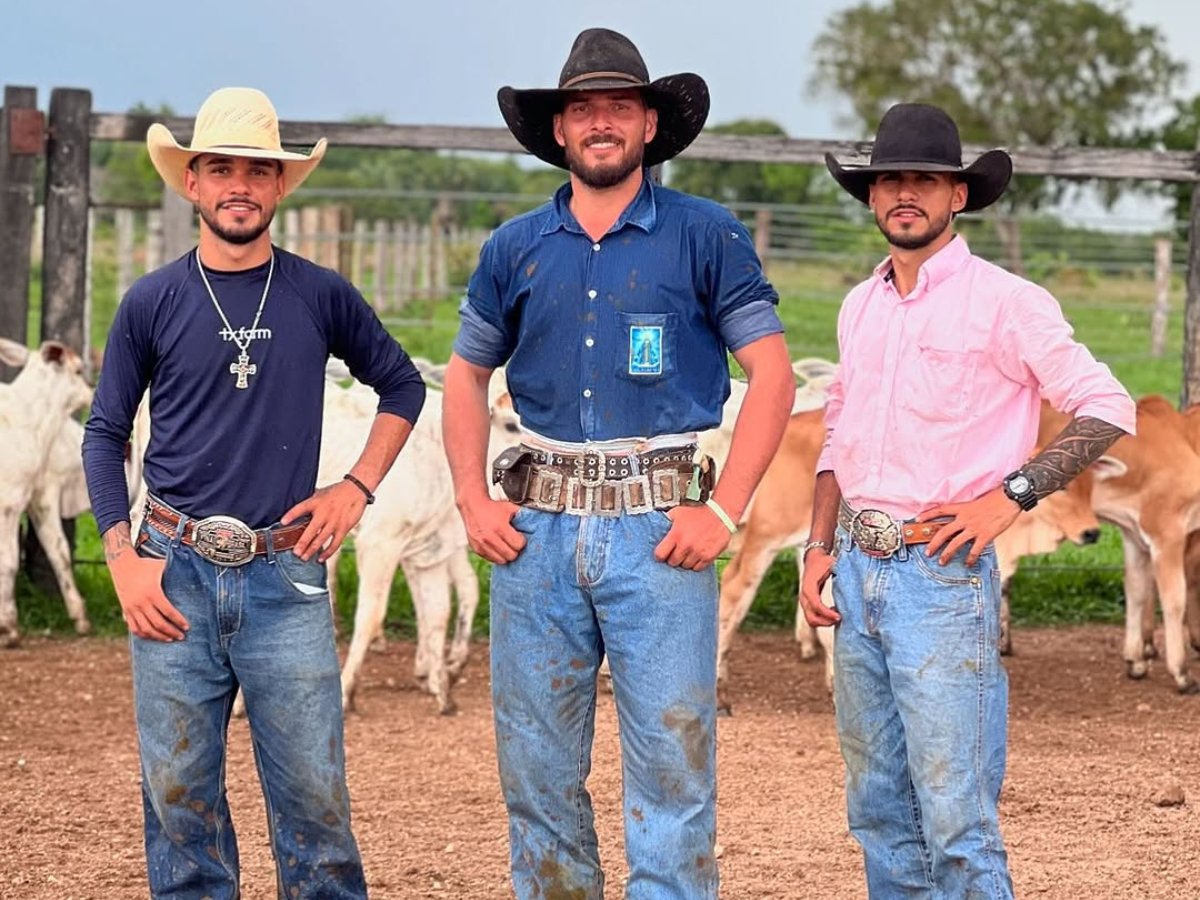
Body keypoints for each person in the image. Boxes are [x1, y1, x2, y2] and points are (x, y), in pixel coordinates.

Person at [441, 27, 795, 899]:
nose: (601, 121)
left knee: (673, 765)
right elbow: (463, 374)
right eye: (583, 108)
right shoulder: (514, 247)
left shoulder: (707, 235)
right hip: (538, 529)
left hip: (660, 525)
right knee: (536, 769)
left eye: (619, 106)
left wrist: (724, 511)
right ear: (559, 130)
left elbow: (775, 373)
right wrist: (470, 500)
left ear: (648, 125)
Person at [82, 87, 426, 900]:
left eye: (258, 171)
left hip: (285, 572)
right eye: (220, 168)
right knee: (179, 801)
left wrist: (356, 487)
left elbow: (403, 386)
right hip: (172, 570)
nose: (239, 184)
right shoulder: (152, 302)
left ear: (279, 188)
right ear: (193, 184)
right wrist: (121, 558)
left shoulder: (318, 294)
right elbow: (104, 433)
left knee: (314, 801)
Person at [801, 103, 1137, 898]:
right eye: (889, 180)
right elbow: (837, 436)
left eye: (924, 179)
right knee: (878, 808)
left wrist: (1009, 497)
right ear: (872, 195)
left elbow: (1108, 405)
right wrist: (818, 548)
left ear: (958, 195)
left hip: (941, 578)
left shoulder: (1006, 302)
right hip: (856, 566)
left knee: (956, 820)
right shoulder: (861, 304)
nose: (904, 194)